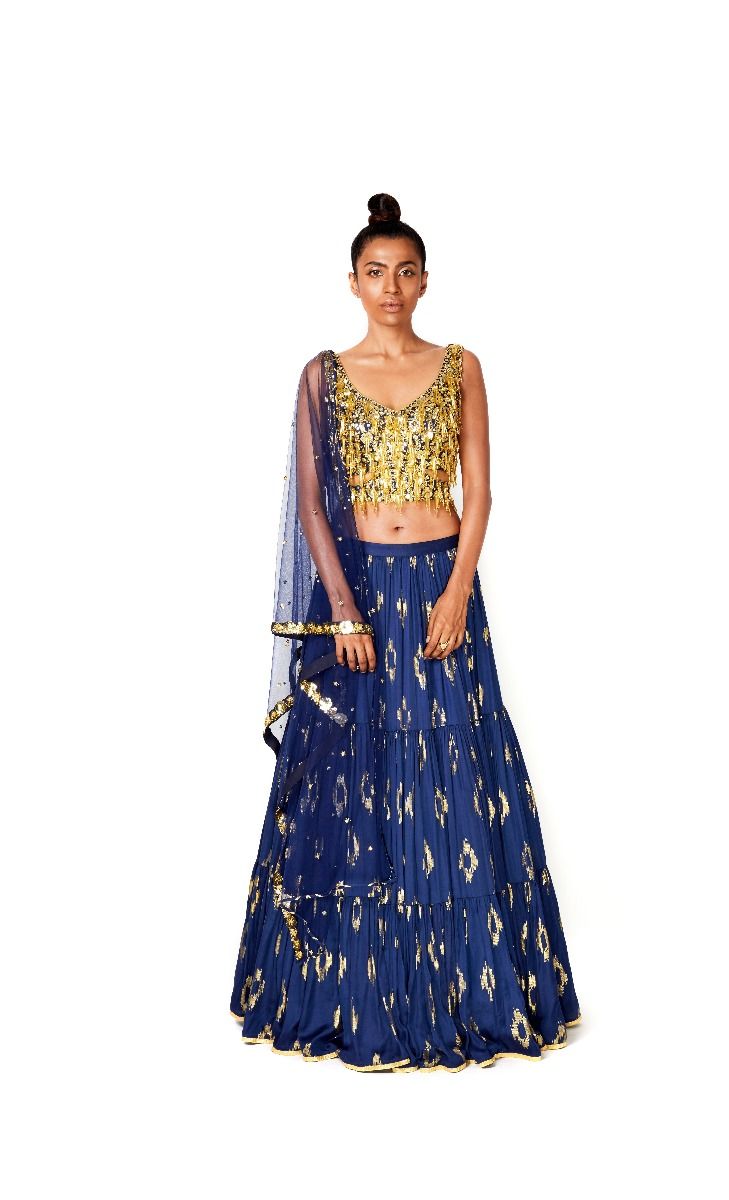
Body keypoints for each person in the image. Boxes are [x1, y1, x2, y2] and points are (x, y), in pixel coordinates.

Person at [229, 193, 582, 1072]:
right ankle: (353, 992)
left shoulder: (461, 366)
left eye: (406, 271)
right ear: (352, 282)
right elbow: (313, 508)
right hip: (360, 596)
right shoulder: (321, 375)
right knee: (361, 772)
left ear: (426, 280)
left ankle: (469, 988)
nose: (391, 286)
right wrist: (342, 609)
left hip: (437, 586)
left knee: (454, 768)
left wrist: (458, 591)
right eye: (376, 272)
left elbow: (480, 491)